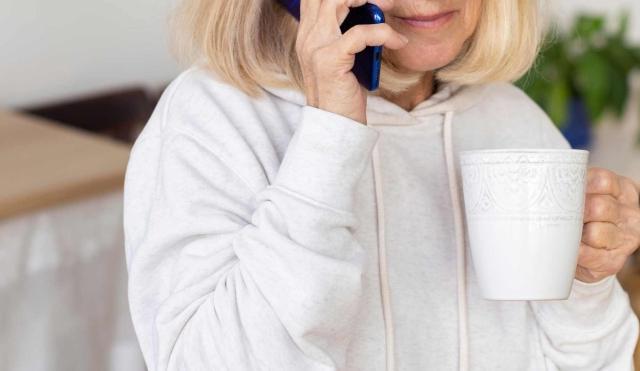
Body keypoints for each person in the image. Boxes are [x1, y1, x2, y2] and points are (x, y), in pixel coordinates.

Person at [123, 0, 640, 370]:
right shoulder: (213, 117)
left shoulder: (512, 119)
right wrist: (329, 135)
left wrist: (586, 281)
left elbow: (599, 361)